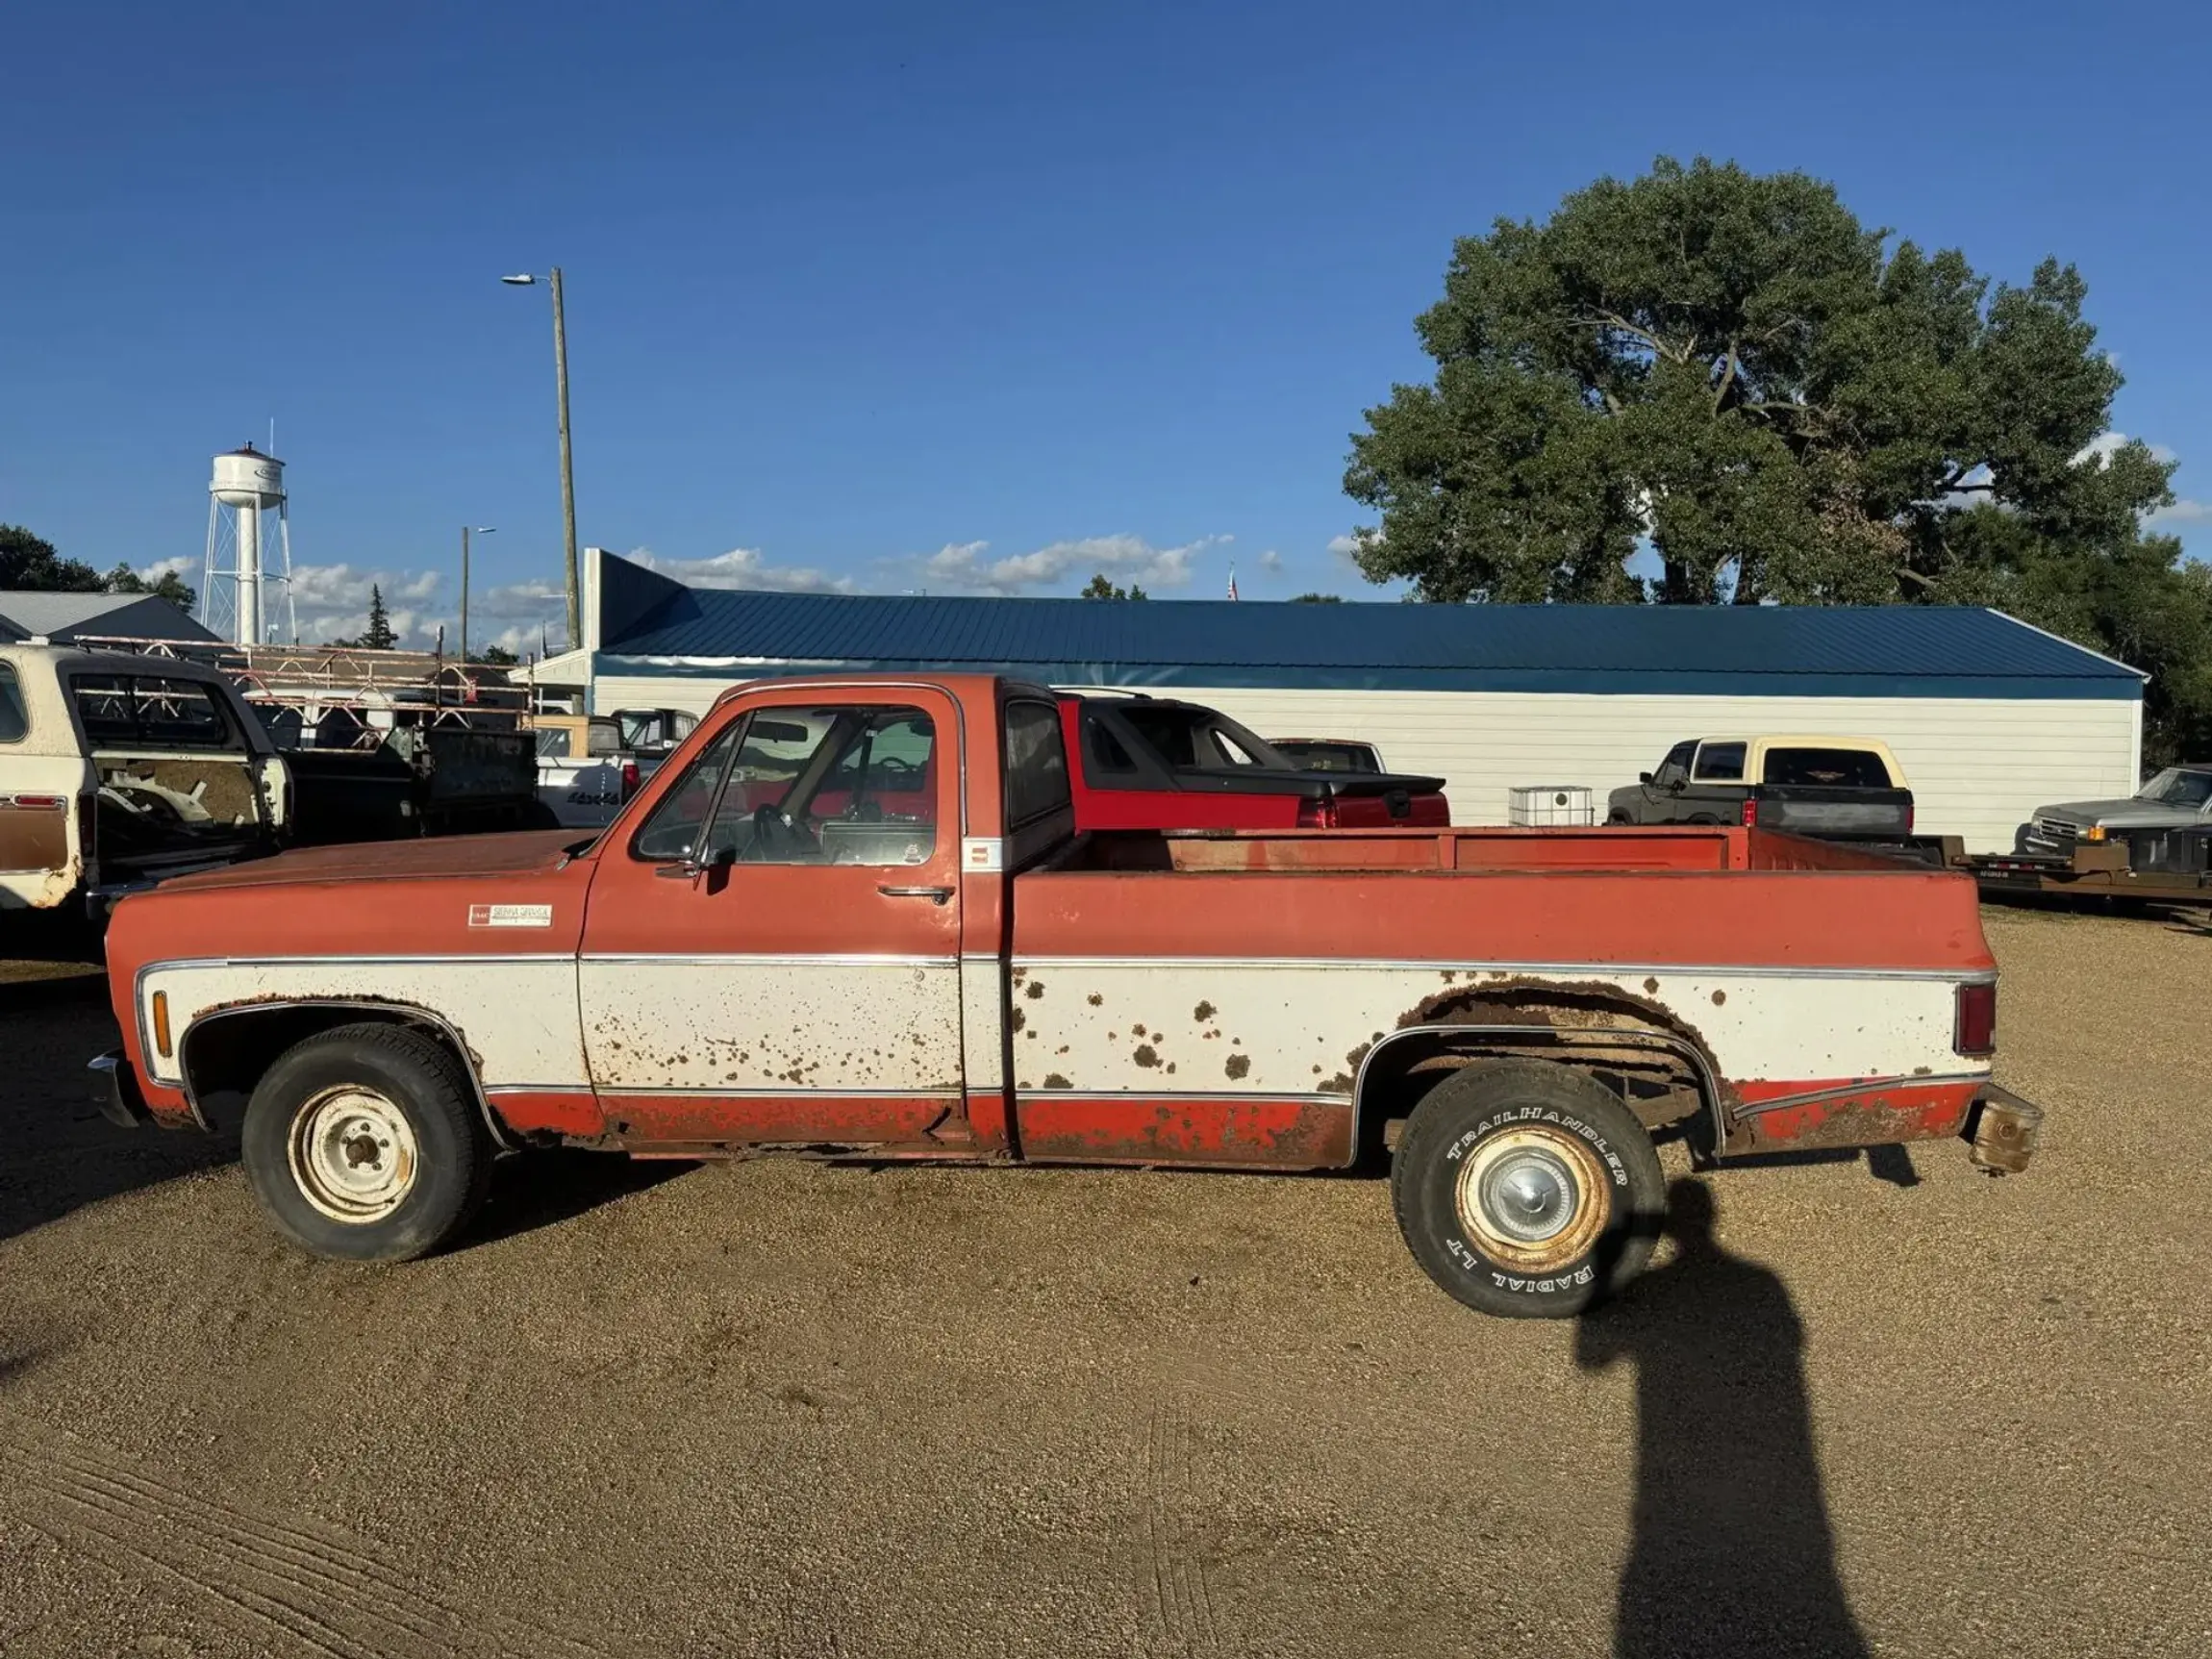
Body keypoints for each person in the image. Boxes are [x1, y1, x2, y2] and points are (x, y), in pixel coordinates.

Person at [1575, 1178, 1869, 1659]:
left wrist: (1607, 1252)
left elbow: (1591, 1359)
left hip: (1666, 1492)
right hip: (1788, 1488)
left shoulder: (1654, 1285)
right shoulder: (1763, 1283)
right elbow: (1794, 1344)